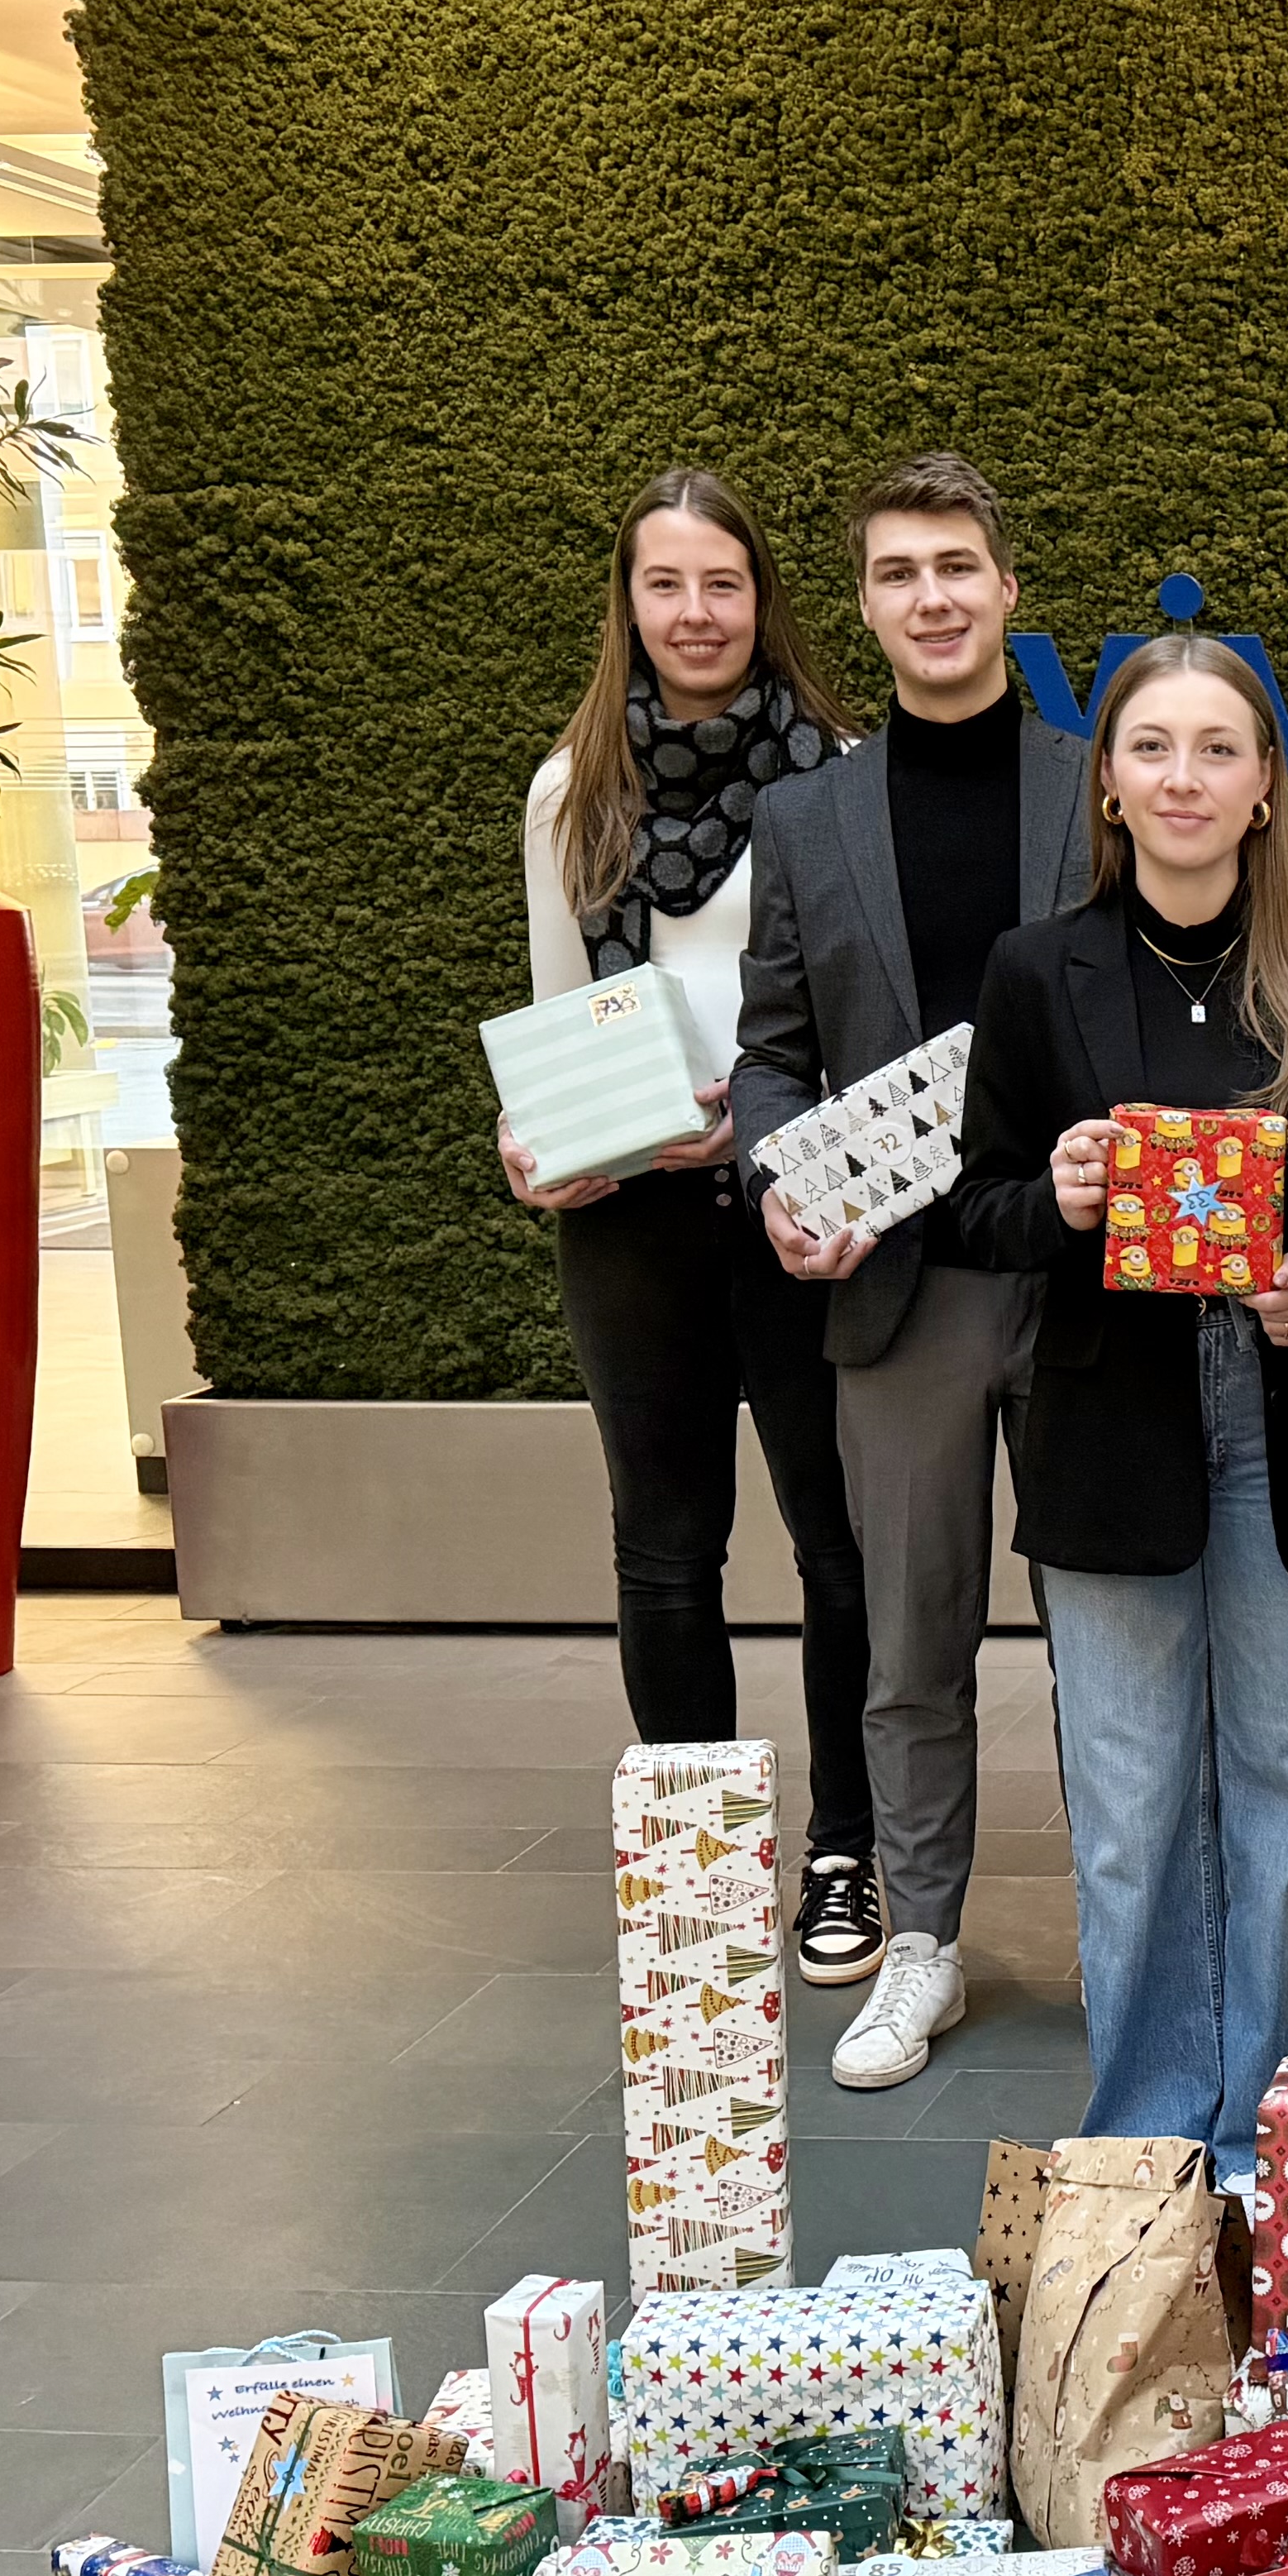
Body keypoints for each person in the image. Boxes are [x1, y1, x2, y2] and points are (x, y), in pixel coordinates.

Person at [949, 637, 1288, 2178]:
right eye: (1151, 747)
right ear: (1110, 787)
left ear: (1264, 788)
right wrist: (1058, 1199)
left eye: (1217, 748)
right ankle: (1140, 2144)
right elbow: (972, 1210)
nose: (1183, 777)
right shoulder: (1034, 968)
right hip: (1107, 1419)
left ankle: (1281, 2140)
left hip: (1286, 1410)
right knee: (1130, 1807)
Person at [732, 453, 1095, 2087]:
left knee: (1115, 1641)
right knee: (909, 1643)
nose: (932, 597)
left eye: (957, 566)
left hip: (1085, 1277)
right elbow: (771, 1053)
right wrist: (777, 1181)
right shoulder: (806, 818)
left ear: (1007, 588)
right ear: (867, 605)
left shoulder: (1100, 786)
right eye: (898, 572)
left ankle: (1136, 1941)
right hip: (896, 1287)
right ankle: (923, 1941)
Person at [500, 467, 882, 1986]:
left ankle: (845, 1856)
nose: (696, 612)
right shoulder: (571, 789)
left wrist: (785, 1127)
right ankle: (698, 1874)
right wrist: (537, 1143)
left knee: (837, 1547)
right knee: (664, 1550)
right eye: (665, 584)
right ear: (629, 604)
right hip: (631, 1215)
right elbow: (555, 1008)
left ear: (761, 598)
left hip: (798, 1202)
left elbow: (868, 1010)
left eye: (722, 582)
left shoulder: (837, 776)